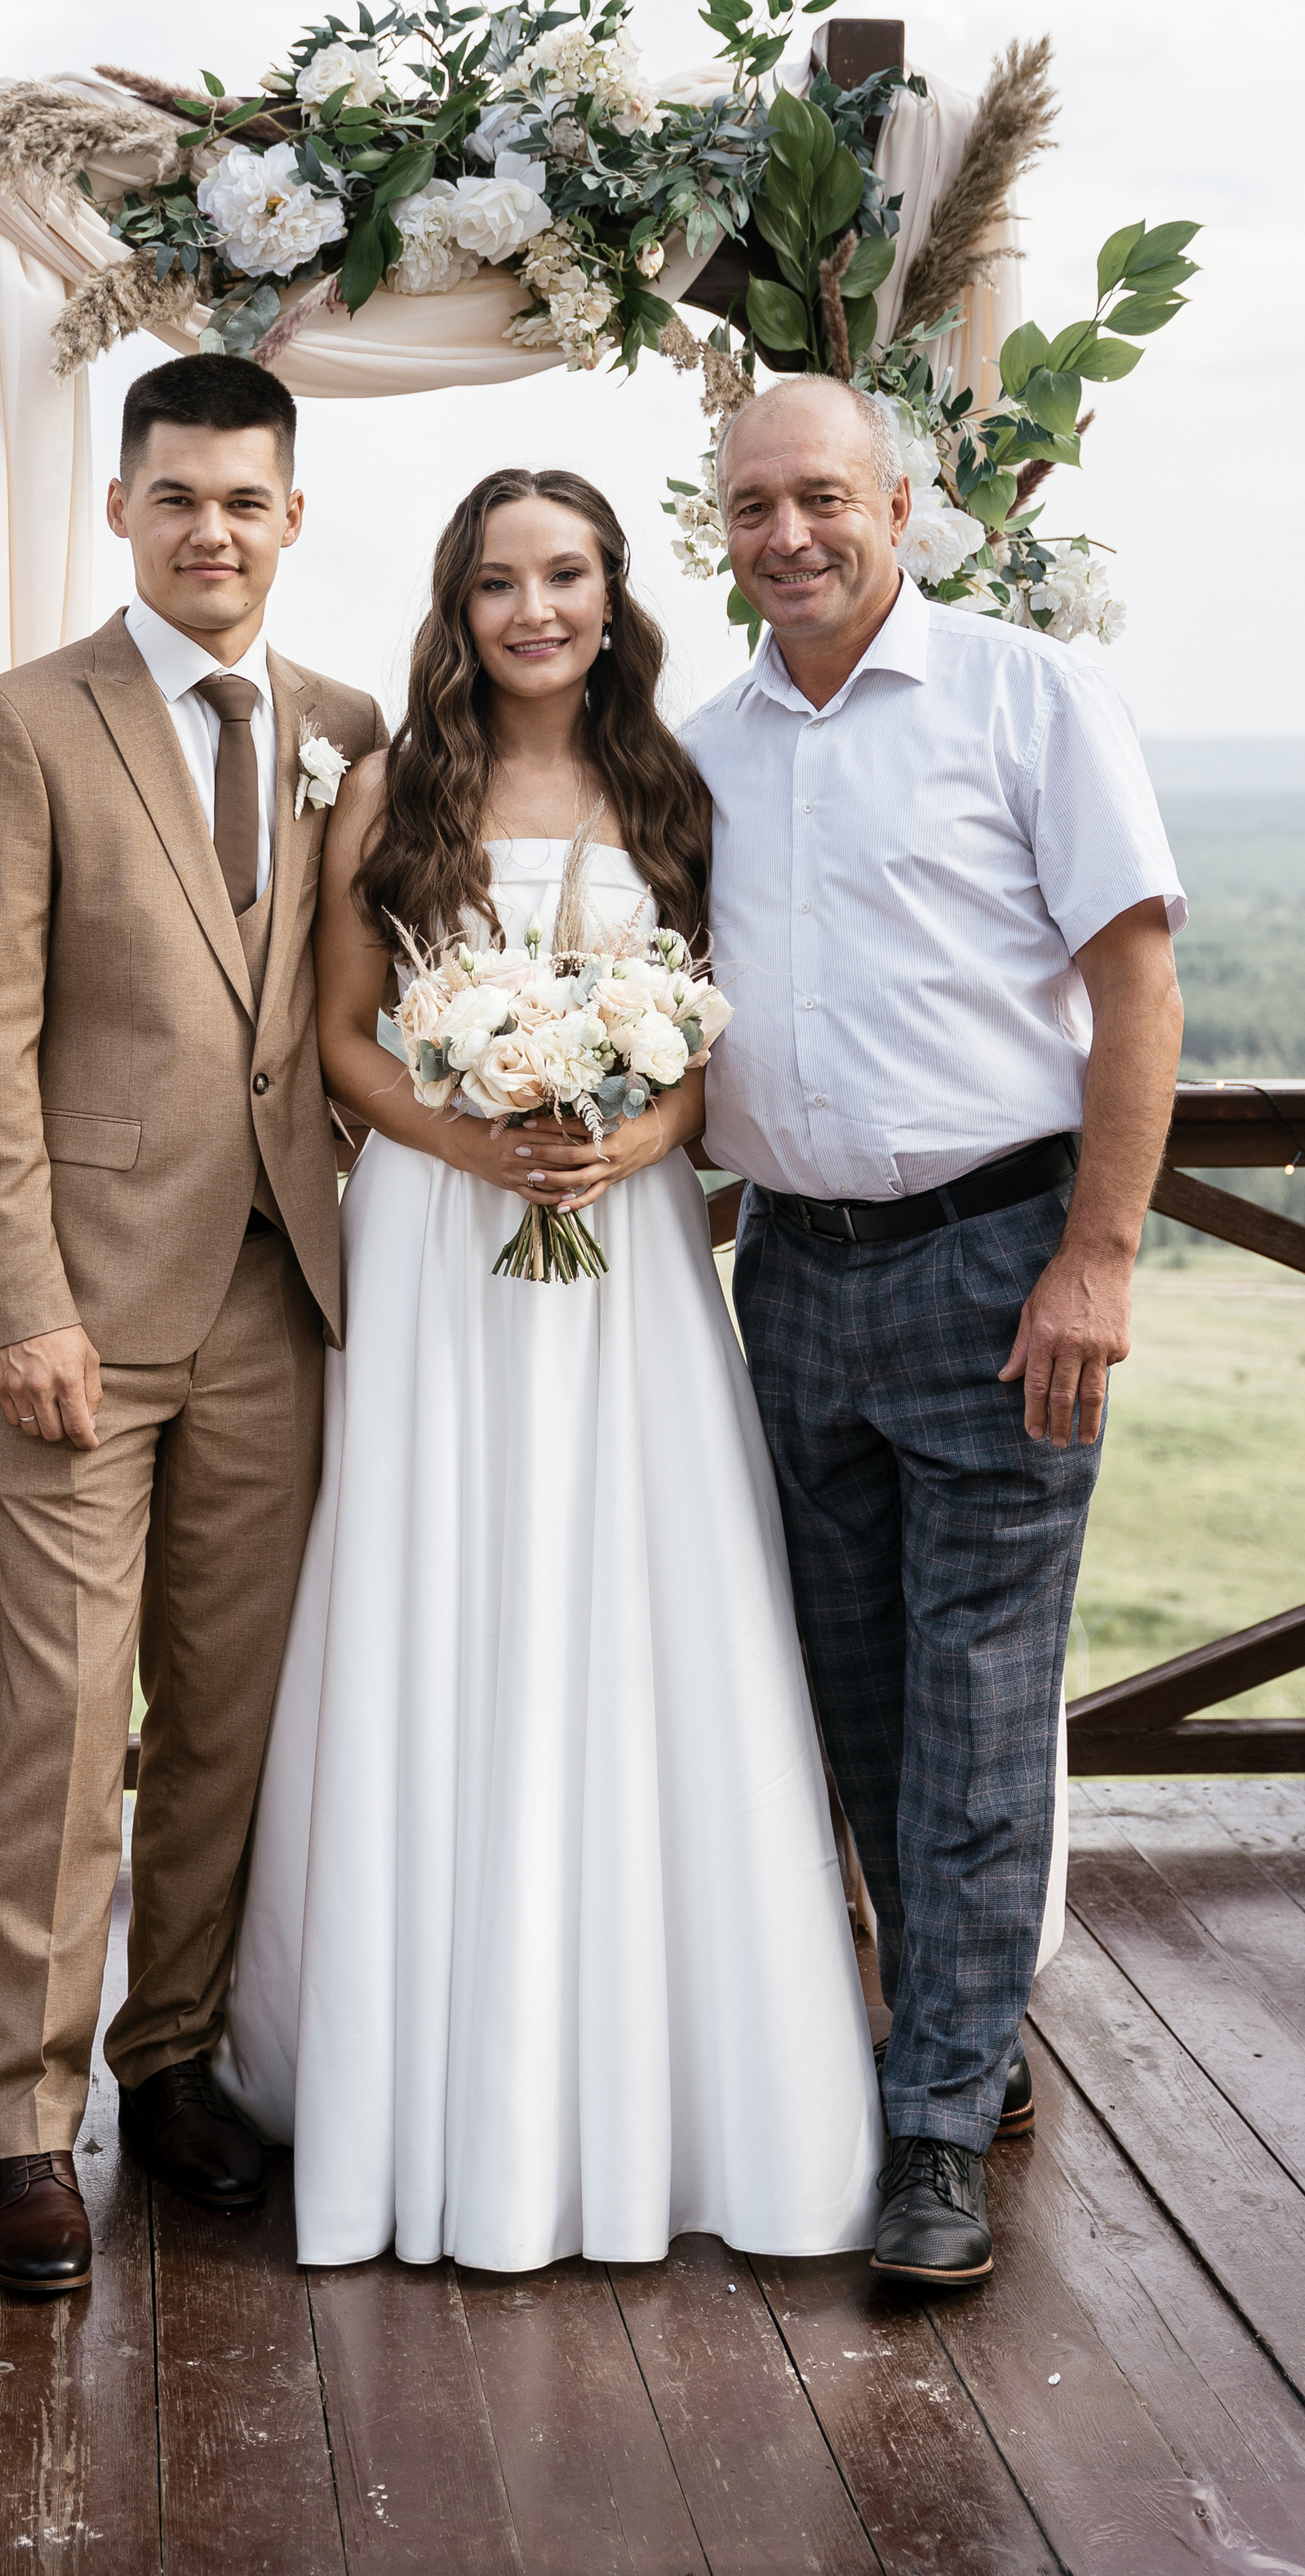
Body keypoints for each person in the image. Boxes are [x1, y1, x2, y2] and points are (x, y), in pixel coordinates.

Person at [216, 466, 886, 2277]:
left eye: (566, 576)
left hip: (628, 1255)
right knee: (444, 1592)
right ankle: (411, 2075)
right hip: (444, 1246)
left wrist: (632, 1130)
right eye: (499, 583)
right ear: (459, 604)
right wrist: (475, 1136)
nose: (535, 612)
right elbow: (342, 1041)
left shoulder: (675, 782)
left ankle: (676, 2082)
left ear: (611, 593)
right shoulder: (389, 788)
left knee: (642, 1603)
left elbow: (715, 1045)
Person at [681, 375, 1184, 2291]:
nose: (787, 535)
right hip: (786, 1276)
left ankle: (933, 2135)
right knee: (852, 1699)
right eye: (752, 507)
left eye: (820, 496)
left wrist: (1096, 1260)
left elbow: (1132, 988)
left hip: (994, 1269)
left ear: (899, 505)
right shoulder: (700, 745)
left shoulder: (1022, 695)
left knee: (974, 1710)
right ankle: (962, 2036)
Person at [0, 352, 387, 2294]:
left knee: (229, 1714)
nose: (213, 530)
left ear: (292, 520)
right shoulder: (21, 722)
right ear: (120, 509)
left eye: (245, 501)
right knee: (55, 1720)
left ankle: (174, 2056)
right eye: (177, 497)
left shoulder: (346, 725)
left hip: (282, 1295)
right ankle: (21, 2126)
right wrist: (19, 1300)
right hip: (87, 1317)